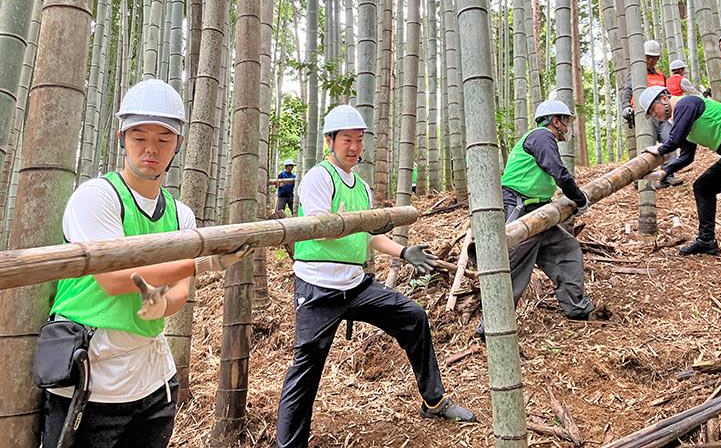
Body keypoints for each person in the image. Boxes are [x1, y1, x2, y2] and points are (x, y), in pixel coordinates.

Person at [42, 79, 250, 448]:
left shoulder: (180, 215)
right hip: (92, 377)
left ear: (179, 144)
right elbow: (114, 279)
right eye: (139, 137)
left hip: (154, 380)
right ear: (122, 138)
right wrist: (201, 263)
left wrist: (162, 304)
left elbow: (180, 291)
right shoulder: (97, 197)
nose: (151, 149)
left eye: (164, 139)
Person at [276, 105, 475, 448]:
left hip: (356, 285)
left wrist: (403, 251)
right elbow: (322, 228)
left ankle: (434, 401)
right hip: (318, 287)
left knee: (413, 317)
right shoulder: (318, 178)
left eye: (359, 140)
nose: (354, 147)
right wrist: (368, 222)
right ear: (329, 141)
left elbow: (369, 236)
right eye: (346, 140)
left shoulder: (362, 187)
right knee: (305, 369)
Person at [475, 100, 594, 339]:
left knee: (566, 249)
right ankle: (491, 326)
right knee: (515, 264)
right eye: (566, 121)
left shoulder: (543, 139)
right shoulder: (541, 136)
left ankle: (577, 308)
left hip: (539, 212)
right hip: (519, 209)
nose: (568, 127)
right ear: (555, 121)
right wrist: (579, 198)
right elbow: (558, 171)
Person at [639, 86, 721, 274]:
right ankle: (707, 240)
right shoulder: (683, 119)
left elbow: (674, 140)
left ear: (664, 98)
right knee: (703, 187)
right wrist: (663, 172)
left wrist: (659, 149)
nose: (654, 115)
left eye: (654, 109)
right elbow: (686, 157)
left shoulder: (686, 103)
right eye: (651, 114)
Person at [620, 40, 682, 187]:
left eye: (654, 58)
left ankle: (668, 175)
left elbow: (667, 94)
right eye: (648, 57)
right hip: (645, 116)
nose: (650, 61)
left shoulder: (661, 76)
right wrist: (626, 107)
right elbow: (627, 92)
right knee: (647, 145)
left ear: (658, 59)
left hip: (663, 115)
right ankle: (642, 179)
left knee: (670, 139)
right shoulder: (636, 74)